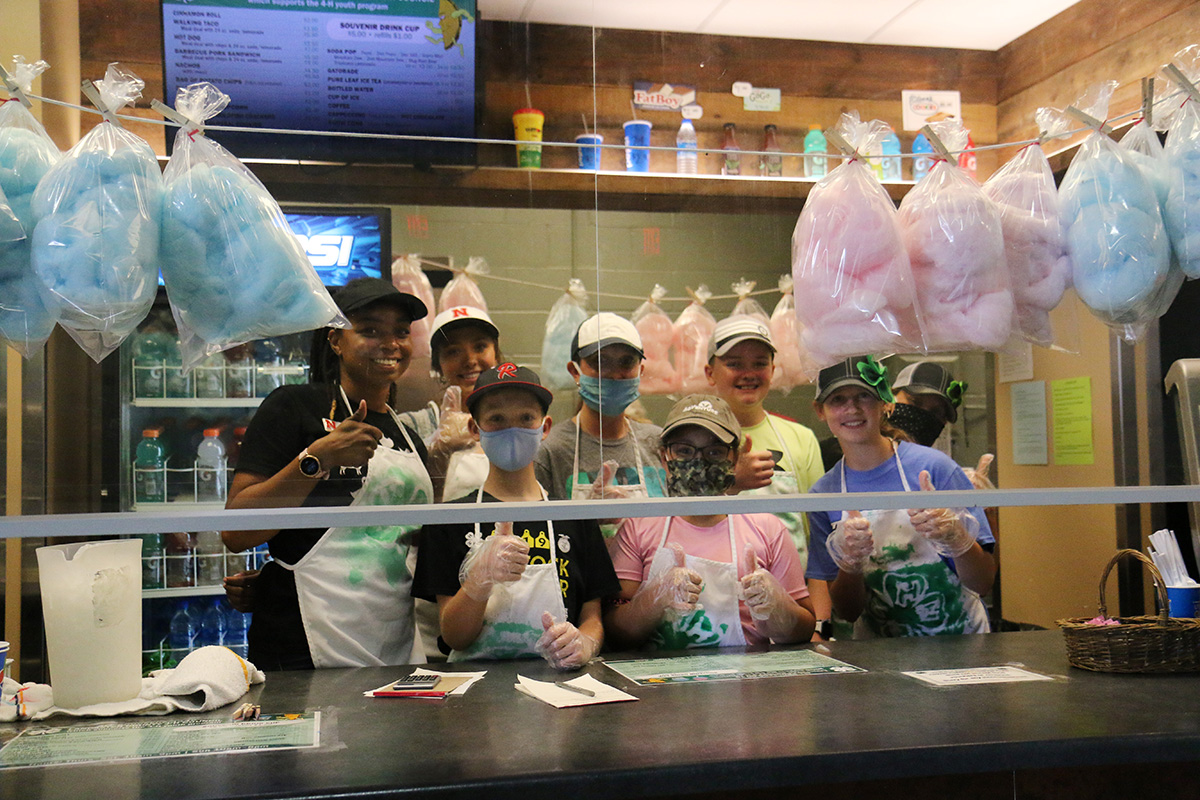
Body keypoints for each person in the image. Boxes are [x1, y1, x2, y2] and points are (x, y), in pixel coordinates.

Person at [222, 277, 432, 670]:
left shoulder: (409, 437)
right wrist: (316, 459)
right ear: (336, 340)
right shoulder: (293, 407)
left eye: (401, 332)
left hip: (393, 636)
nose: (390, 343)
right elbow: (237, 532)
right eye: (369, 330)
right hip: (304, 637)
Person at [412, 363, 619, 667]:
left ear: (544, 428)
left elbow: (592, 618)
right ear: (475, 429)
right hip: (476, 692)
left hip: (561, 685)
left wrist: (584, 644)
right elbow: (454, 637)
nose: (512, 429)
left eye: (525, 418)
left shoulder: (574, 516)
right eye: (496, 419)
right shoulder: (448, 520)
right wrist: (478, 580)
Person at [805, 355, 996, 639]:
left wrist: (956, 537)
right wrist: (851, 562)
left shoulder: (935, 468)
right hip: (881, 653)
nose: (852, 409)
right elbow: (848, 611)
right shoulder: (824, 494)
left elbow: (983, 582)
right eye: (838, 400)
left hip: (961, 642)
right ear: (820, 411)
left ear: (885, 403)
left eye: (864, 396)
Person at [605, 394, 815, 650]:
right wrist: (655, 598)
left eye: (714, 452)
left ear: (735, 460)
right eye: (684, 450)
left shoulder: (767, 528)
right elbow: (616, 633)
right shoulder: (638, 528)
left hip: (748, 680)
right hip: (660, 681)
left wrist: (777, 607)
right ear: (664, 458)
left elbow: (804, 629)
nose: (698, 461)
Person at [703, 316, 829, 632]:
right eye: (734, 363)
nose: (748, 374)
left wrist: (818, 624)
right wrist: (731, 481)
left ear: (773, 371)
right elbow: (676, 521)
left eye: (759, 363)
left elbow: (818, 542)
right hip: (710, 613)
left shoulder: (800, 438)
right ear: (710, 373)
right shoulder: (688, 440)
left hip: (791, 616)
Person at [535, 312, 667, 502]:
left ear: (640, 371)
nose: (614, 375)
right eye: (600, 362)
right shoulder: (551, 452)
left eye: (626, 362)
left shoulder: (658, 442)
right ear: (575, 372)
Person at [422, 305, 502, 501]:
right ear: (437, 365)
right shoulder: (415, 426)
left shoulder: (515, 422)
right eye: (453, 351)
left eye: (480, 347)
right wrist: (438, 454)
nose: (470, 360)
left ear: (496, 354)